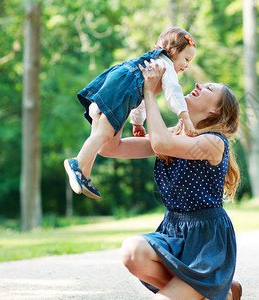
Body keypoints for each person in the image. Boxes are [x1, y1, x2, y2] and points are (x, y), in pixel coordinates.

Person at [98, 59, 242, 300]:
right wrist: (126, 99)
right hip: (173, 231)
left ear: (215, 110)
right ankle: (219, 293)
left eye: (209, 88)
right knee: (131, 251)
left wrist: (150, 93)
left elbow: (161, 142)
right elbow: (110, 148)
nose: (198, 84)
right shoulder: (172, 137)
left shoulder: (214, 143)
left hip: (207, 243)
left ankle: (212, 290)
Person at [64, 27, 197, 199]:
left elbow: (139, 93)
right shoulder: (166, 66)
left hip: (111, 87)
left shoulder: (152, 63)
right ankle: (76, 164)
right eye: (186, 59)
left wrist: (137, 122)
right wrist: (185, 118)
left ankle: (85, 176)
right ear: (172, 52)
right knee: (104, 134)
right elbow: (174, 92)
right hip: (119, 93)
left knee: (97, 134)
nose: (187, 65)